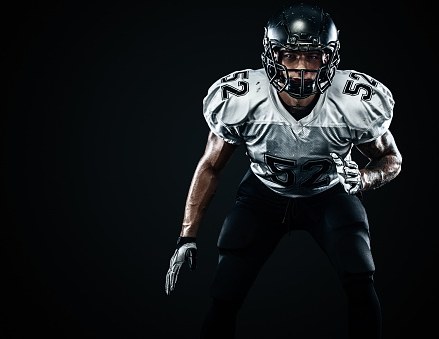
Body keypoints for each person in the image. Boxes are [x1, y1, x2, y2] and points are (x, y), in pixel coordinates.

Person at [165, 3, 402, 339]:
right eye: (290, 55)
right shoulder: (243, 97)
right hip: (263, 195)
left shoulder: (354, 101)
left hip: (329, 194)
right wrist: (186, 236)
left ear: (330, 57)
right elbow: (210, 165)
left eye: (313, 56)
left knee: (360, 278)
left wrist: (365, 177)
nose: (301, 68)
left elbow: (391, 159)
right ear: (272, 55)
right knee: (225, 290)